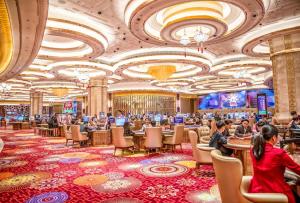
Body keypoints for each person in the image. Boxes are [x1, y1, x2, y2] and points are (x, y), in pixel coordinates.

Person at [249, 125, 300, 203]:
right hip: (276, 193)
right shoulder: (279, 153)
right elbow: (297, 169)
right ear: (274, 137)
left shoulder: (253, 150)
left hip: (256, 192)